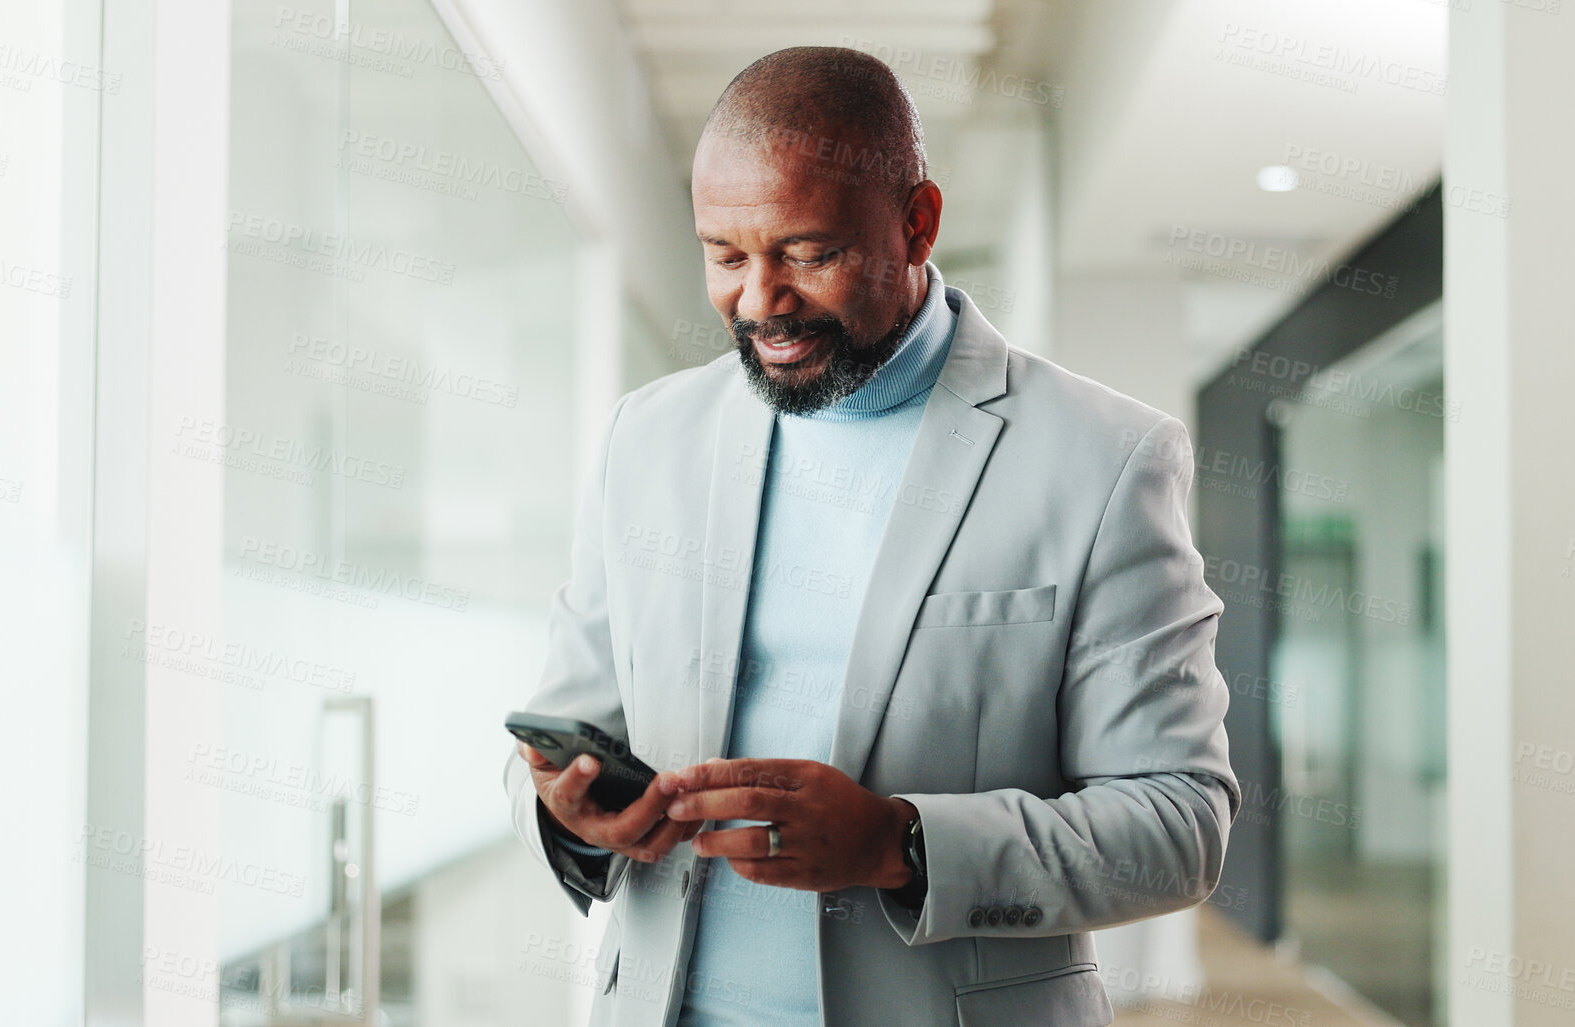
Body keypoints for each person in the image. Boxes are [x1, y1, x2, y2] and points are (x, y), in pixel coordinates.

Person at [506, 45, 1238, 1027]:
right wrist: (570, 810)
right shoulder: (648, 437)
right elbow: (556, 741)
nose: (760, 301)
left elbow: (1177, 823)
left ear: (917, 223)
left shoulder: (1105, 457)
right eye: (726, 255)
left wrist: (899, 842)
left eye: (808, 252)